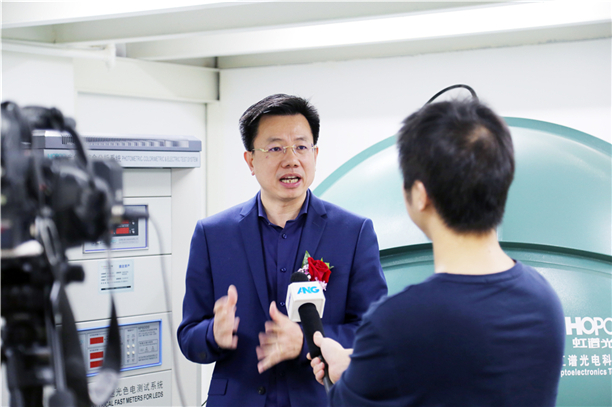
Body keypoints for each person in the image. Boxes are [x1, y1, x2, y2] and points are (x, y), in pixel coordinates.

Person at [310, 98, 565, 406]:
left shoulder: (396, 322)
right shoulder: (545, 300)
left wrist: (344, 376)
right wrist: (367, 361)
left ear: (420, 195)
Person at [178, 94, 388, 407]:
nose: (291, 159)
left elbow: (375, 332)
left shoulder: (352, 233)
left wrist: (306, 341)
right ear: (250, 160)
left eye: (301, 147)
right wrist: (213, 333)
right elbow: (188, 337)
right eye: (275, 148)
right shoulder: (213, 234)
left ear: (315, 154)